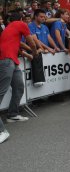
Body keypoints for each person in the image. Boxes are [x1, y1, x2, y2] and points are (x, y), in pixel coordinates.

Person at [0, 12, 37, 144]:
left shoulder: (9, 28)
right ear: (21, 19)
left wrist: (26, 54)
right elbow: (30, 41)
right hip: (6, 60)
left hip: (12, 60)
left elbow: (18, 45)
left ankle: (13, 114)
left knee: (19, 86)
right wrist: (34, 51)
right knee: (1, 92)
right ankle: (1, 131)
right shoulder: (21, 24)